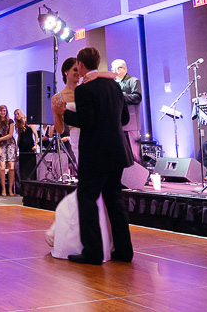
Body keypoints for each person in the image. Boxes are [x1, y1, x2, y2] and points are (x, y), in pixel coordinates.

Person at [52, 47, 133, 265]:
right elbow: (124, 118)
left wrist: (63, 113)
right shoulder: (115, 86)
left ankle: (93, 251)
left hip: (96, 154)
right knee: (114, 200)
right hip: (117, 151)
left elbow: (86, 121)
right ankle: (124, 251)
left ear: (80, 64)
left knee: (86, 198)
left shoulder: (84, 90)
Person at [52, 58, 82, 176]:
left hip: (92, 133)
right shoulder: (57, 98)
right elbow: (60, 130)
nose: (78, 73)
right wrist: (56, 112)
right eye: (75, 69)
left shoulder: (85, 90)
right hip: (75, 136)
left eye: (79, 69)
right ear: (66, 72)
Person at [112, 59, 143, 164]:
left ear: (124, 68)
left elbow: (137, 97)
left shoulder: (133, 81)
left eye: (117, 68)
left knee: (135, 154)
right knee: (122, 154)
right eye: (113, 69)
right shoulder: (114, 83)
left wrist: (120, 95)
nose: (114, 71)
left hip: (132, 123)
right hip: (119, 122)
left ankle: (140, 177)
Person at [0, 105, 16, 196]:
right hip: (1, 145)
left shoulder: (10, 121)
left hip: (10, 144)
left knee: (11, 167)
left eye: (5, 111)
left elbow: (10, 135)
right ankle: (3, 189)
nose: (3, 112)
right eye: (2, 111)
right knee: (2, 167)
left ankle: (10, 189)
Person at [15, 108, 38, 183]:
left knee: (30, 165)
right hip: (22, 146)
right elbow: (19, 136)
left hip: (29, 145)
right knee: (22, 165)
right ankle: (23, 183)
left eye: (17, 114)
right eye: (15, 115)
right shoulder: (18, 124)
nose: (16, 116)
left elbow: (35, 134)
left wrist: (36, 145)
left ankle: (32, 182)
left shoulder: (29, 122)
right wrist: (16, 146)